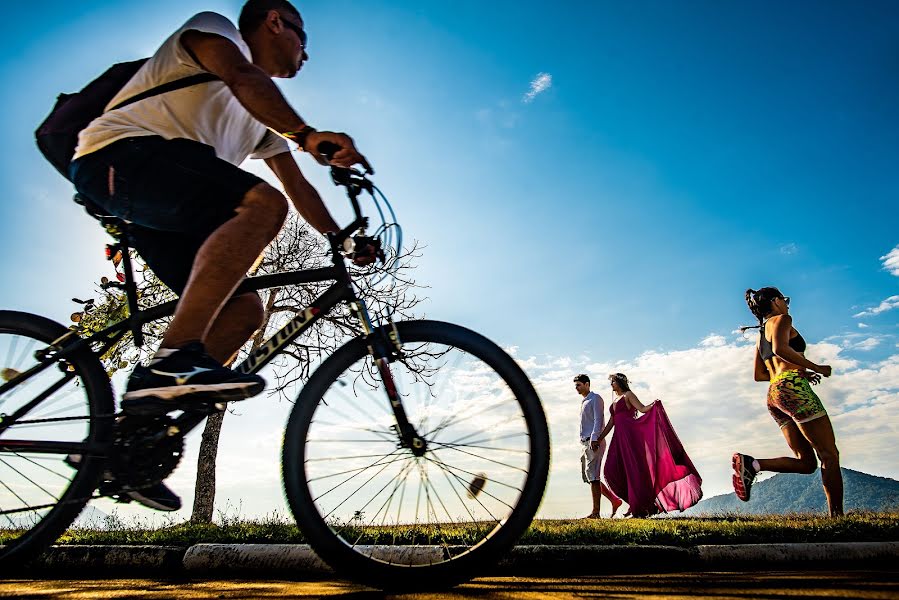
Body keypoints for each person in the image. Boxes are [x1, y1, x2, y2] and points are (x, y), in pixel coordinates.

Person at [67, 0, 375, 511]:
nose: (305, 56)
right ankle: (171, 362)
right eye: (304, 40)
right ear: (275, 21)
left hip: (159, 202)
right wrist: (305, 134)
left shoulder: (259, 127)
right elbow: (239, 73)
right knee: (260, 203)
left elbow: (299, 189)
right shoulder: (213, 31)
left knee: (244, 311)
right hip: (118, 159)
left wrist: (341, 239)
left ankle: (131, 446)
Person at [734, 287, 842, 516]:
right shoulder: (782, 319)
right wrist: (816, 367)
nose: (787, 303)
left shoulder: (761, 334)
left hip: (775, 394)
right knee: (829, 455)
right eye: (784, 299)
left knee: (807, 463)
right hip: (793, 390)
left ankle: (752, 464)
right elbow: (780, 349)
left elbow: (760, 375)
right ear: (775, 301)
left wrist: (795, 371)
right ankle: (837, 517)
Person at [596, 373, 702, 517]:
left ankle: (638, 508)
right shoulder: (615, 400)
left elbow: (642, 409)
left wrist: (655, 404)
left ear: (620, 382)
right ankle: (637, 504)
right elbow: (611, 422)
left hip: (631, 437)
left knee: (633, 472)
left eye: (613, 381)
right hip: (618, 439)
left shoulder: (628, 395)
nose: (611, 384)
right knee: (610, 470)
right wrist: (600, 438)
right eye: (611, 382)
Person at [573, 374, 622, 518]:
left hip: (594, 442)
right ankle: (614, 500)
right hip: (585, 442)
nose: (576, 388)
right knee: (589, 477)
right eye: (575, 385)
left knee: (594, 477)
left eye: (579, 385)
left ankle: (596, 513)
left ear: (587, 384)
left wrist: (595, 439)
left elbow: (598, 420)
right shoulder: (584, 401)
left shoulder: (595, 398)